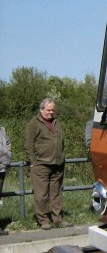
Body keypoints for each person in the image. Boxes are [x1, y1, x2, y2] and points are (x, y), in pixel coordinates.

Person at [24, 98, 71, 230]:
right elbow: (29, 144)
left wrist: (62, 156)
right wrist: (33, 163)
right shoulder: (33, 123)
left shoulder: (57, 122)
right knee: (41, 194)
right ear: (41, 110)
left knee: (56, 194)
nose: (51, 112)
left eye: (53, 110)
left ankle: (57, 219)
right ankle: (43, 220)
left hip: (58, 164)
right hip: (41, 165)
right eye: (48, 110)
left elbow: (61, 141)